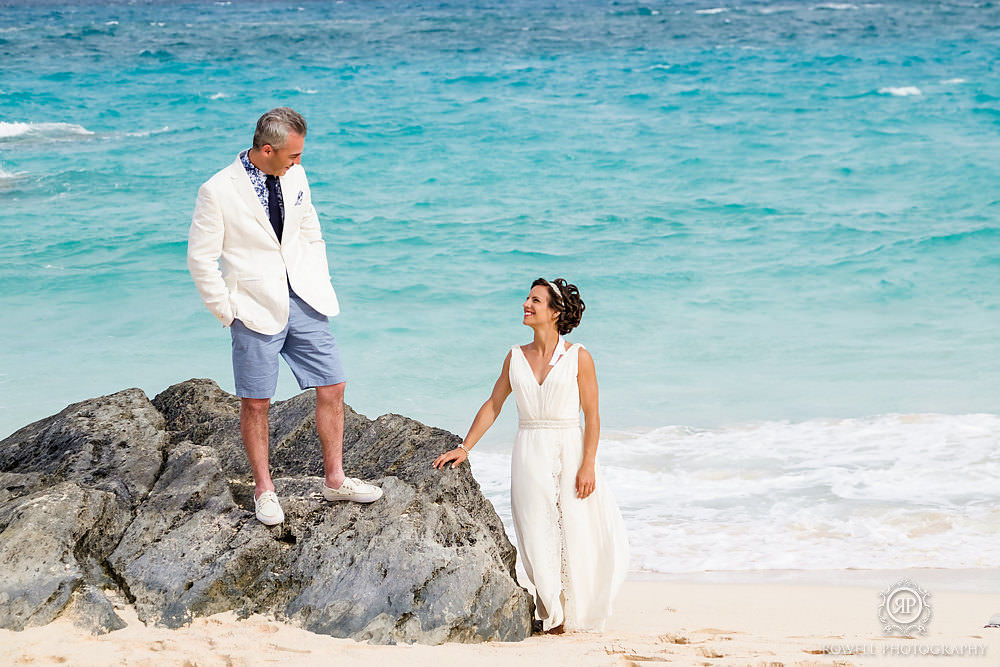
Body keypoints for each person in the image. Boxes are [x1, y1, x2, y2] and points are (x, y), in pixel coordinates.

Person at [188, 107, 382, 526]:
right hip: (253, 307)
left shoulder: (296, 175)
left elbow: (309, 226)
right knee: (257, 402)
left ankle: (335, 480)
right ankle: (264, 490)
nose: (299, 162)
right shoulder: (217, 190)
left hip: (305, 297)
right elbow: (201, 261)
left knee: (333, 383)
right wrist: (229, 312)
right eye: (293, 155)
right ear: (268, 149)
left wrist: (317, 272)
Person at [433, 278, 629, 633]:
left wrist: (588, 464)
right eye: (527, 298)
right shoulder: (515, 356)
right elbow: (493, 405)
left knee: (574, 528)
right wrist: (464, 447)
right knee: (536, 531)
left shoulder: (579, 357)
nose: (527, 304)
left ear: (555, 313)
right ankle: (551, 612)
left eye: (535, 300)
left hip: (569, 448)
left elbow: (593, 415)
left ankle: (571, 612)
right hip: (528, 450)